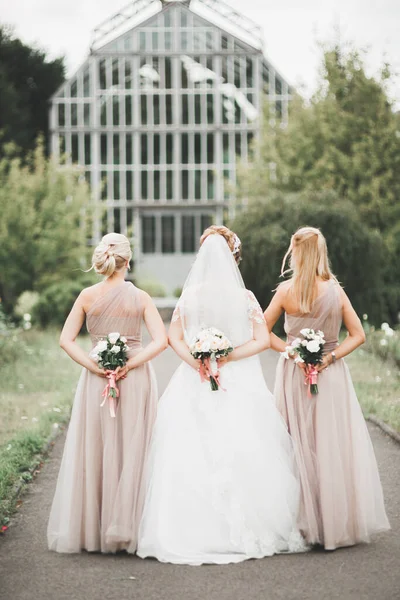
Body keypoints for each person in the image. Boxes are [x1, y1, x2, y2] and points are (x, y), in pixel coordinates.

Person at [137, 226, 307, 565]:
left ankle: (190, 530)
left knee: (190, 449)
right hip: (238, 379)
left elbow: (174, 338)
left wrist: (199, 363)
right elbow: (261, 341)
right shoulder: (245, 298)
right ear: (234, 256)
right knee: (246, 443)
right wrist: (228, 357)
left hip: (194, 380)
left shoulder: (191, 295)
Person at [264, 226, 390, 550]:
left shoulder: (286, 291)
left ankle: (302, 522)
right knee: (329, 445)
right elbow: (359, 334)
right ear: (321, 252)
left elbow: (262, 332)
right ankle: (332, 523)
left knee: (295, 442)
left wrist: (291, 352)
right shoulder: (335, 290)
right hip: (329, 376)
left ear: (295, 253)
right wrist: (329, 358)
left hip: (294, 374)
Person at [47, 233, 168, 553]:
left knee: (98, 447)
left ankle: (95, 529)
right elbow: (161, 340)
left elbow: (65, 340)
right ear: (128, 261)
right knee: (133, 447)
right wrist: (130, 364)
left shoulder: (87, 295)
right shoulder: (141, 297)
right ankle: (130, 528)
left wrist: (95, 366)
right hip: (136, 378)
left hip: (96, 381)